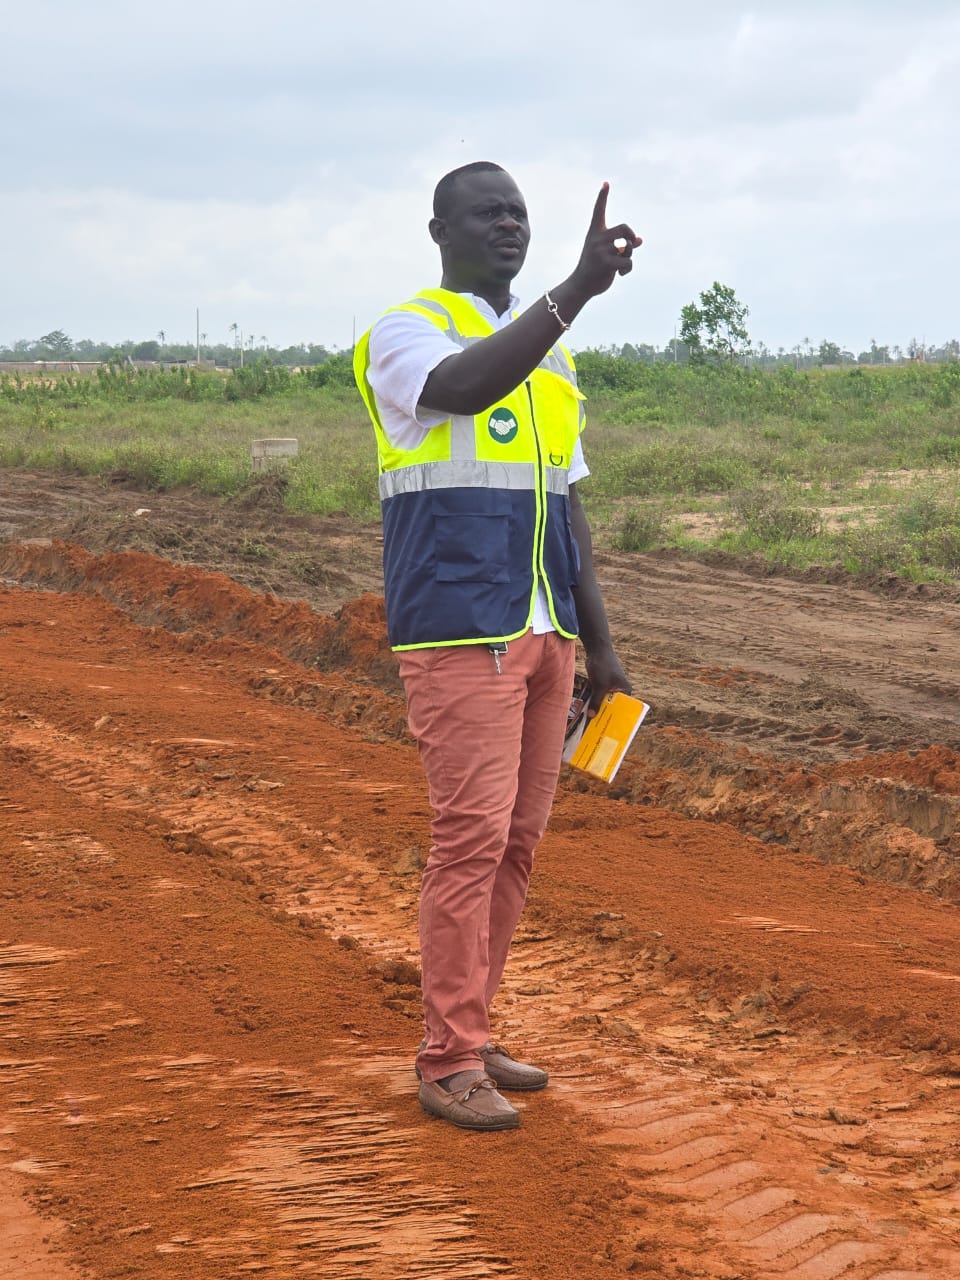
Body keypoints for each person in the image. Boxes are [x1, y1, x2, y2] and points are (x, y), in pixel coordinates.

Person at [353, 161, 640, 1132]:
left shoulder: (551, 357)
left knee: (516, 843)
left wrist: (602, 649)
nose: (509, 224)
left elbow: (568, 505)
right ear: (439, 230)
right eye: (488, 211)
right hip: (459, 626)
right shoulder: (406, 331)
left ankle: (471, 1030)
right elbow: (463, 390)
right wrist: (574, 292)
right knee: (470, 837)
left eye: (520, 211)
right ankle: (444, 1058)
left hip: (543, 626)